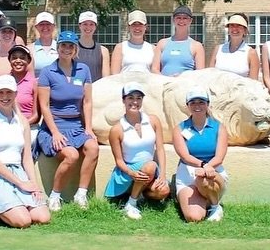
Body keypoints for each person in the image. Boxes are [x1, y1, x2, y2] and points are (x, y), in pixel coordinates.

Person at [0, 75, 50, 227]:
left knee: (43, 217)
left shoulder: (23, 122)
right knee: (23, 221)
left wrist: (33, 185)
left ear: (15, 94)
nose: (5, 97)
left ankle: (13, 205)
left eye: (9, 92)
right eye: (0, 93)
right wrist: (21, 184)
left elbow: (26, 158)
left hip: (18, 172)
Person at [36, 30, 99, 211]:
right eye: (64, 45)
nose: (67, 49)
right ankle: (55, 196)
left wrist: (88, 128)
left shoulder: (83, 70)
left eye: (71, 46)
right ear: (58, 48)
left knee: (93, 147)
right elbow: (45, 106)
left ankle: (81, 194)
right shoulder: (48, 72)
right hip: (53, 126)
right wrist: (55, 133)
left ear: (75, 49)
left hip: (77, 125)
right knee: (71, 155)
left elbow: (87, 102)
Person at [104, 82, 170, 219]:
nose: (135, 102)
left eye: (139, 98)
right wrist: (131, 173)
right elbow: (119, 161)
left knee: (164, 191)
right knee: (151, 165)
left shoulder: (153, 121)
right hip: (128, 172)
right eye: (130, 98)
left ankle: (139, 196)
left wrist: (163, 175)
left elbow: (160, 149)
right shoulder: (116, 130)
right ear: (123, 100)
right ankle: (131, 203)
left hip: (149, 171)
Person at [172, 89, 229, 222]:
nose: (197, 106)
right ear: (188, 106)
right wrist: (202, 165)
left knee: (203, 180)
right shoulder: (180, 128)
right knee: (193, 218)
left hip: (213, 171)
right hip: (188, 173)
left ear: (207, 104)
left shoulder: (219, 127)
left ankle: (215, 206)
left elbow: (219, 157)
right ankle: (203, 199)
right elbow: (185, 156)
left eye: (201, 102)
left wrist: (207, 167)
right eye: (193, 103)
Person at [152, 6, 205, 77]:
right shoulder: (162, 43)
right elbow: (154, 69)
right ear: (173, 20)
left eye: (185, 18)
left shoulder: (197, 46)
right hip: (164, 85)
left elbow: (200, 74)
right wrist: (167, 80)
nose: (181, 21)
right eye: (178, 18)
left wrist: (181, 78)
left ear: (190, 21)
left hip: (186, 85)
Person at [208, 14, 259, 80]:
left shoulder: (251, 53)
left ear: (245, 31)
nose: (235, 29)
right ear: (228, 29)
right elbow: (210, 76)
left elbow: (253, 83)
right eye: (232, 25)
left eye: (239, 26)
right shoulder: (218, 49)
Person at [6, 45, 39, 126]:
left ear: (28, 60)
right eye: (14, 58)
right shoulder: (4, 81)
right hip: (6, 126)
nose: (18, 60)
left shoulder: (34, 83)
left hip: (29, 127)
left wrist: (21, 126)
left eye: (22, 58)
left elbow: (36, 115)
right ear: (9, 60)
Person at [76, 11, 111, 82]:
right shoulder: (72, 48)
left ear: (95, 27)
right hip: (76, 90)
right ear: (79, 26)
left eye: (91, 24)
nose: (88, 27)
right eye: (85, 24)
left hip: (96, 90)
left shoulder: (103, 51)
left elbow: (106, 79)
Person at [31, 11, 58, 80]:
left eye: (48, 24)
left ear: (53, 26)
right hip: (37, 88)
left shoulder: (61, 48)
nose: (45, 27)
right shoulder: (30, 49)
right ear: (36, 27)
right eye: (41, 24)